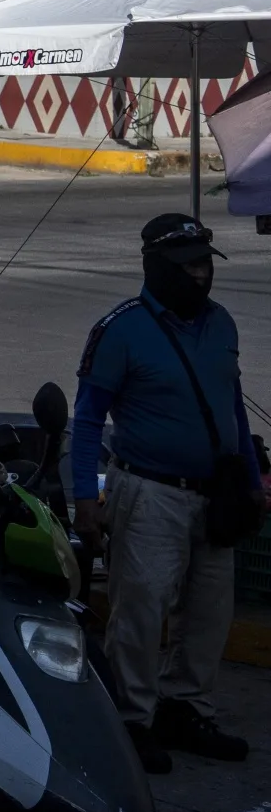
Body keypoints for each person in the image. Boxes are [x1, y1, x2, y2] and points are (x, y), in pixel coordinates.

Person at [74, 214, 260, 773]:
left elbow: (231, 407)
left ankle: (185, 707)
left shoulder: (222, 324)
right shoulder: (121, 330)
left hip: (217, 496)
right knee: (142, 611)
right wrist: (86, 498)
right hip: (149, 493)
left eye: (206, 263)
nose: (202, 275)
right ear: (156, 268)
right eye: (189, 266)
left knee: (208, 614)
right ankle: (132, 719)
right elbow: (86, 422)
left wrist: (252, 482)